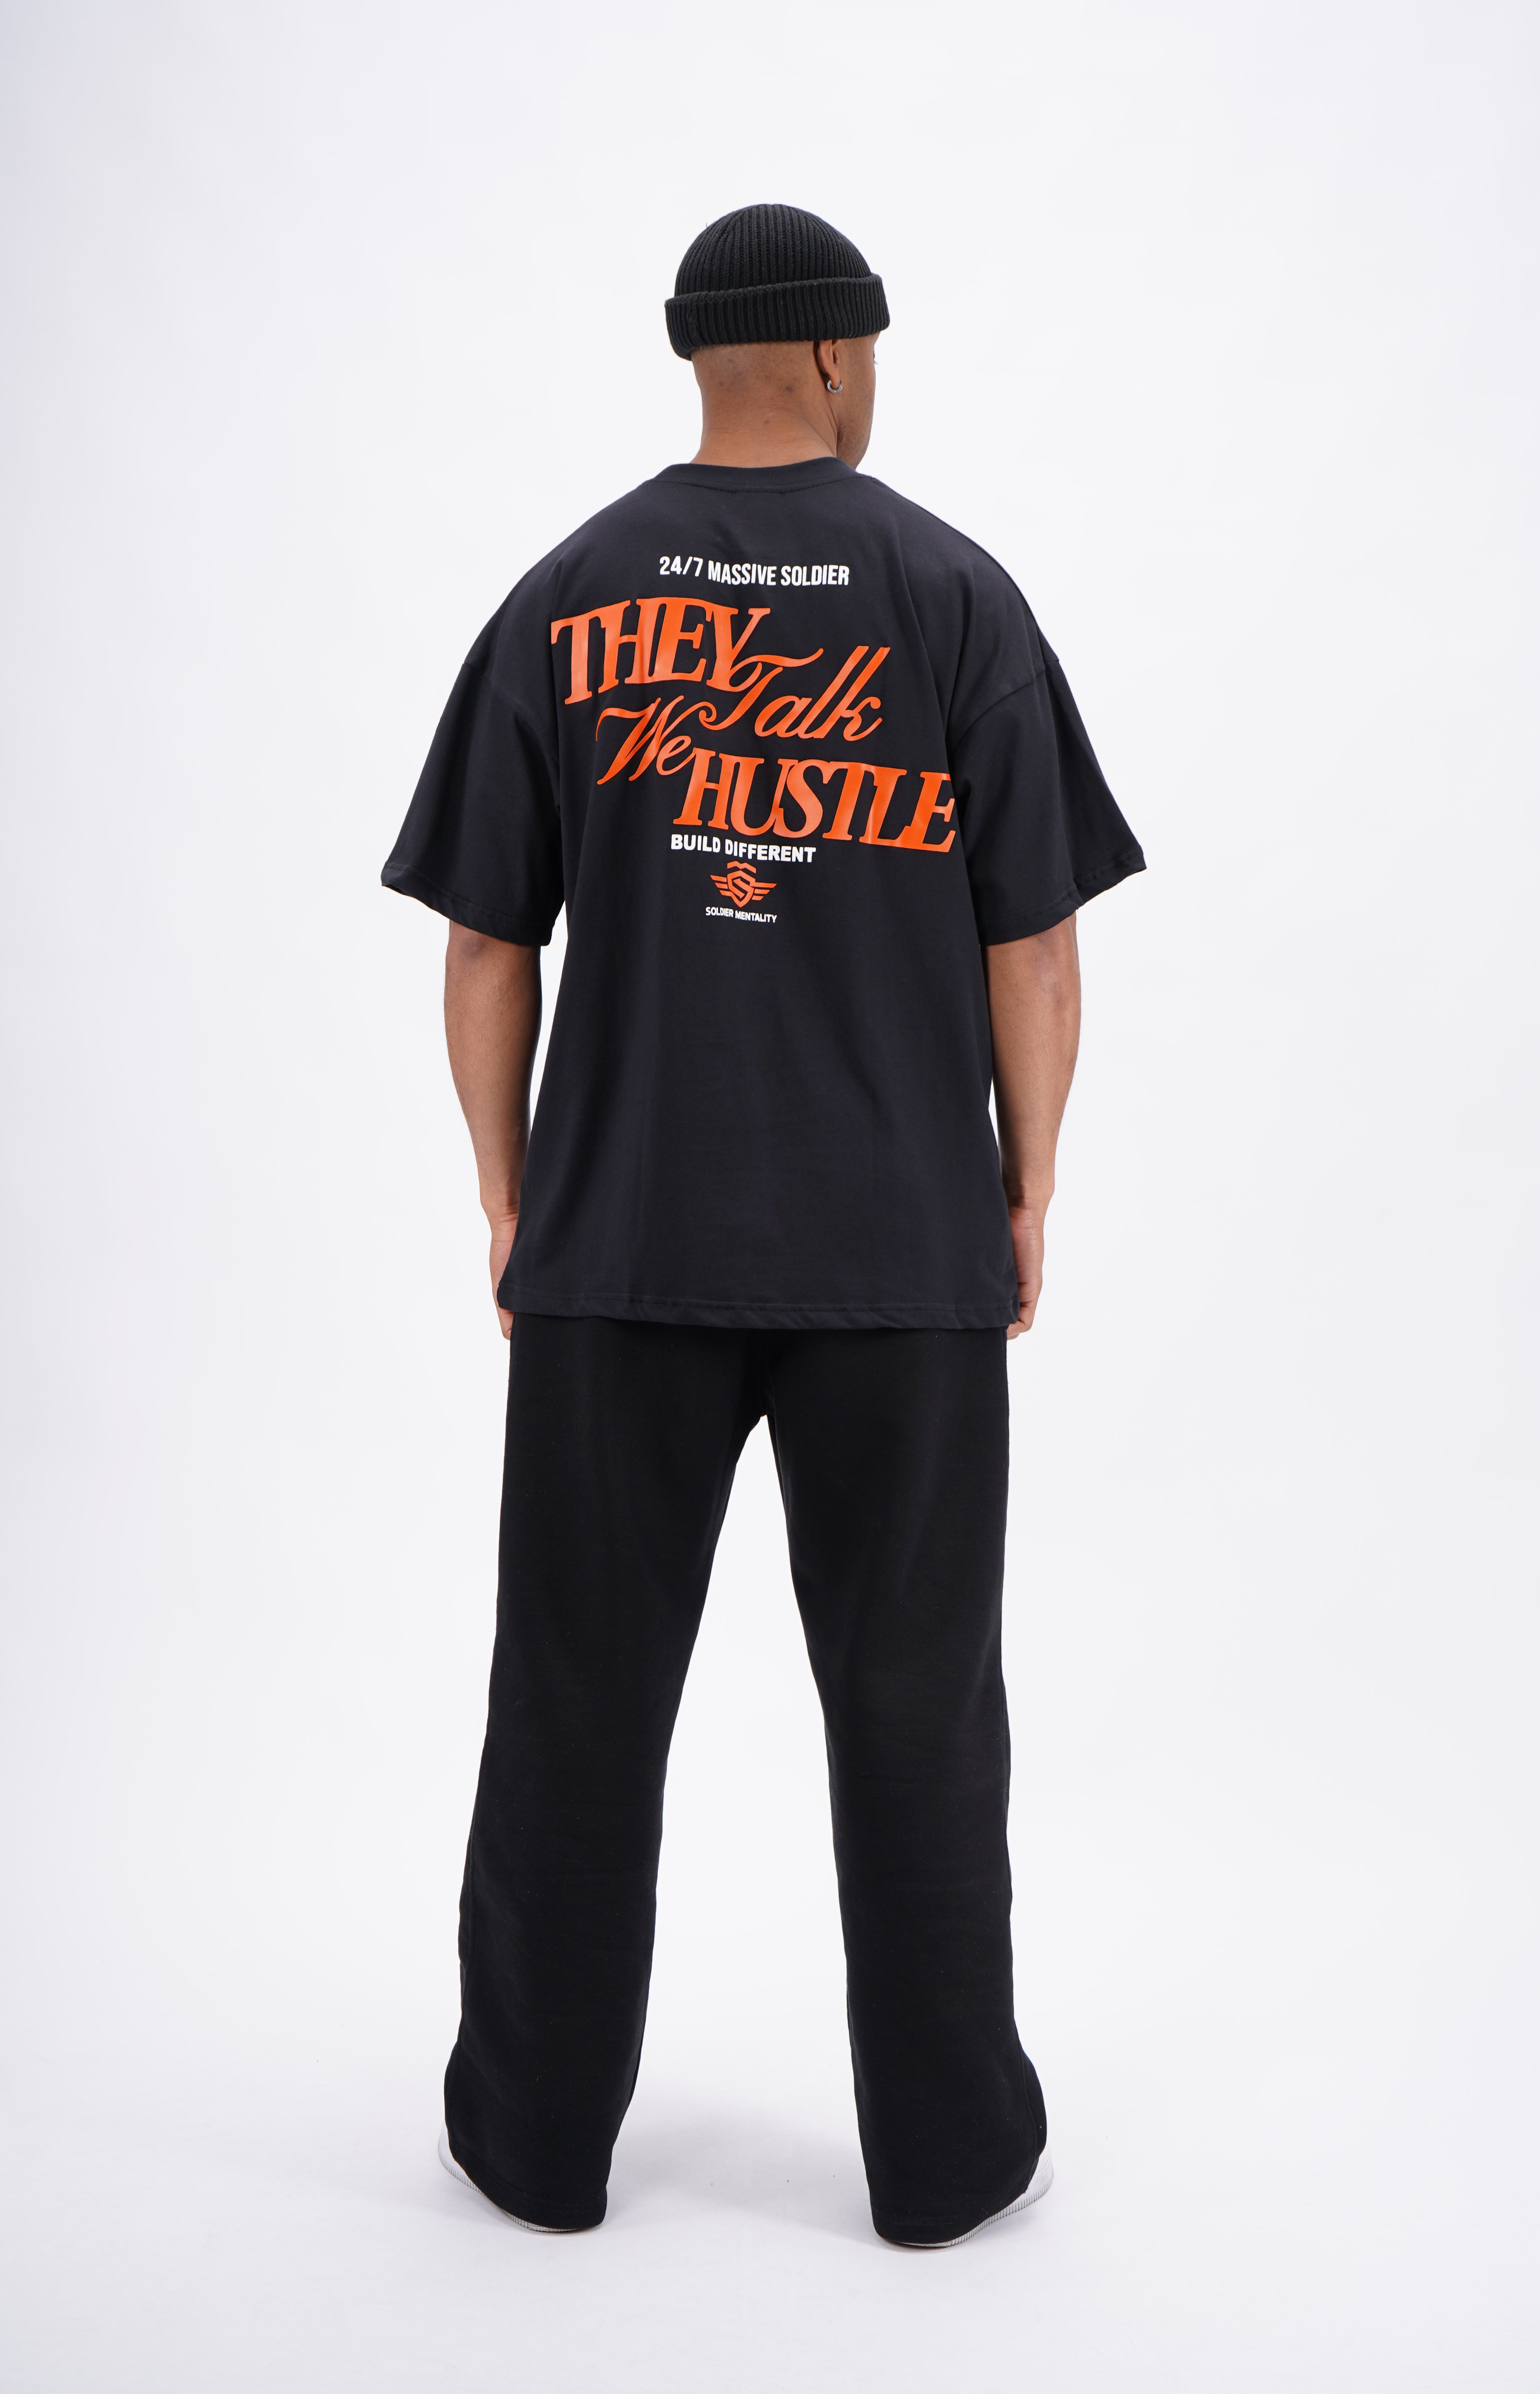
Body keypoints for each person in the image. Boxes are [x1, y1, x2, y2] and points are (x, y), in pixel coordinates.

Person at [382, 202, 1144, 2249]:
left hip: (619, 1252)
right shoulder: (952, 597)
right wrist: (1028, 1182)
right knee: (919, 1719)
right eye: (869, 350)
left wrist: (512, 1197)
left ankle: (530, 2145)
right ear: (828, 354)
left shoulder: (566, 598)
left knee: (573, 1706)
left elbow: (484, 942)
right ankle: (949, 2166)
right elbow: (1036, 945)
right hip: (900, 1261)